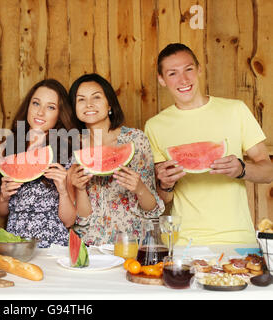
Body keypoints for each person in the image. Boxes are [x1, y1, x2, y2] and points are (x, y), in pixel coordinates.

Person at [144, 43, 273, 245]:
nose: (183, 79)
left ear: (199, 69)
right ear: (161, 80)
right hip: (184, 242)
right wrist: (165, 184)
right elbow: (164, 198)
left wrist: (242, 169)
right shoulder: (154, 126)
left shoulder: (235, 110)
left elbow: (268, 172)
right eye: (172, 74)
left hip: (238, 239)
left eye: (189, 69)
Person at [67, 73, 164, 246]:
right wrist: (80, 189)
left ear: (109, 103)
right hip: (90, 245)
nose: (88, 104)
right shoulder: (72, 147)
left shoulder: (135, 140)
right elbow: (82, 218)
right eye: (81, 99)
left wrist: (140, 188)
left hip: (131, 242)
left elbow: (153, 210)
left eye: (96, 97)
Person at [0, 79, 78, 248]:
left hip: (52, 244)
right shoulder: (9, 148)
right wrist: (3, 197)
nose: (40, 112)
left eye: (50, 107)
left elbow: (69, 221)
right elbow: (2, 211)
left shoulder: (66, 153)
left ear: (60, 114)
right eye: (36, 103)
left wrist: (62, 190)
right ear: (28, 106)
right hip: (15, 243)